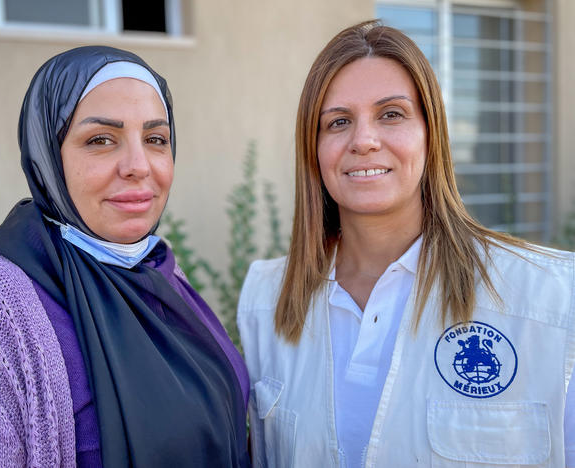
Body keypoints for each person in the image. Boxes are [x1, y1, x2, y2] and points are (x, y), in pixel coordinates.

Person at [0, 46, 250, 467]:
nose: (138, 165)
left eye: (155, 139)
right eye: (101, 140)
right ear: (48, 157)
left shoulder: (158, 274)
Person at [237, 20, 575, 468]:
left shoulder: (551, 299)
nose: (364, 141)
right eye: (338, 122)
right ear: (312, 149)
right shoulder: (265, 300)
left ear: (431, 134)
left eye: (391, 114)